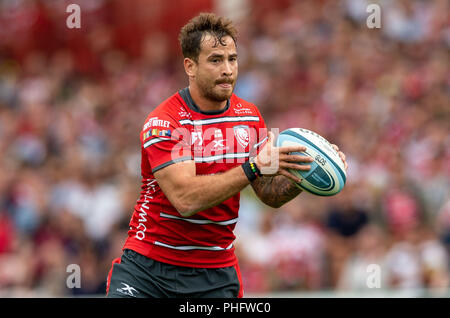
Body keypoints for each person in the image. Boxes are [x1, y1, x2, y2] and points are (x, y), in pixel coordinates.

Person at [106, 12, 348, 298]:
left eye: (232, 59)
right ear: (190, 66)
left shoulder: (249, 116)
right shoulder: (165, 121)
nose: (227, 69)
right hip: (148, 269)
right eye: (215, 60)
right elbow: (186, 199)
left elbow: (268, 194)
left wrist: (303, 170)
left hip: (215, 273)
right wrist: (252, 166)